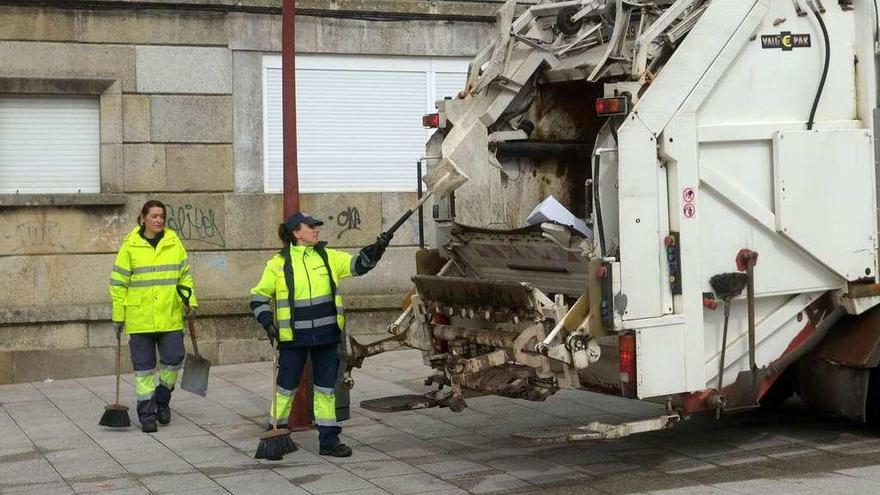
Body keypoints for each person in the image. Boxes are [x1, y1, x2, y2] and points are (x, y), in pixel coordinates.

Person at [249, 212, 391, 457]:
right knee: (285, 389)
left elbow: (358, 266)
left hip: (327, 337)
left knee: (326, 390)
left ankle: (329, 441)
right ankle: (277, 433)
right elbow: (258, 297)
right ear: (296, 232)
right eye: (311, 226)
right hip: (293, 339)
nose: (316, 230)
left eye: (316, 226)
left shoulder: (329, 257)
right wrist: (268, 323)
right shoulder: (278, 264)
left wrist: (377, 249)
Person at [108, 200, 198, 433]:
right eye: (154, 216)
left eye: (162, 216)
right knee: (144, 369)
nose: (158, 220)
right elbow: (118, 284)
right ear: (143, 218)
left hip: (169, 314)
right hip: (140, 318)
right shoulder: (130, 246)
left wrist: (190, 303)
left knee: (174, 359)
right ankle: (147, 414)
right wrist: (119, 316)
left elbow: (184, 277)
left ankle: (162, 397)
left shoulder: (173, 242)